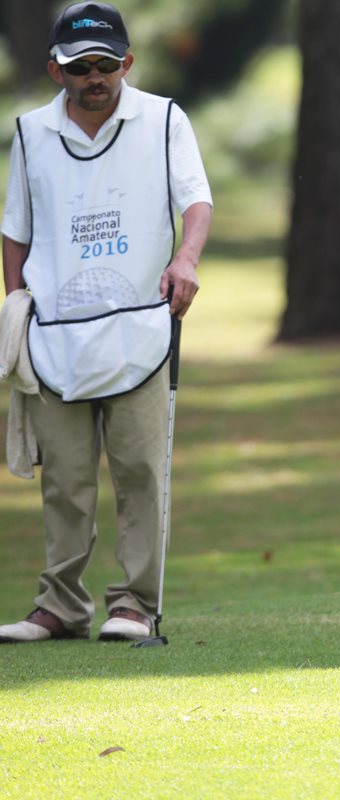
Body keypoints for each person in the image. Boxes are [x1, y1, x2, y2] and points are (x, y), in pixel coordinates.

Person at [0, 2, 211, 643]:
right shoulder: (30, 133)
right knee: (65, 480)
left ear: (127, 62)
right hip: (56, 334)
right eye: (80, 67)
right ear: (55, 70)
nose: (94, 77)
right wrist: (16, 303)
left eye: (105, 64)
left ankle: (135, 605)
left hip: (140, 327)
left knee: (140, 472)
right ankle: (60, 606)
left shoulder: (164, 119)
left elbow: (195, 200)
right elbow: (16, 230)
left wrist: (186, 258)